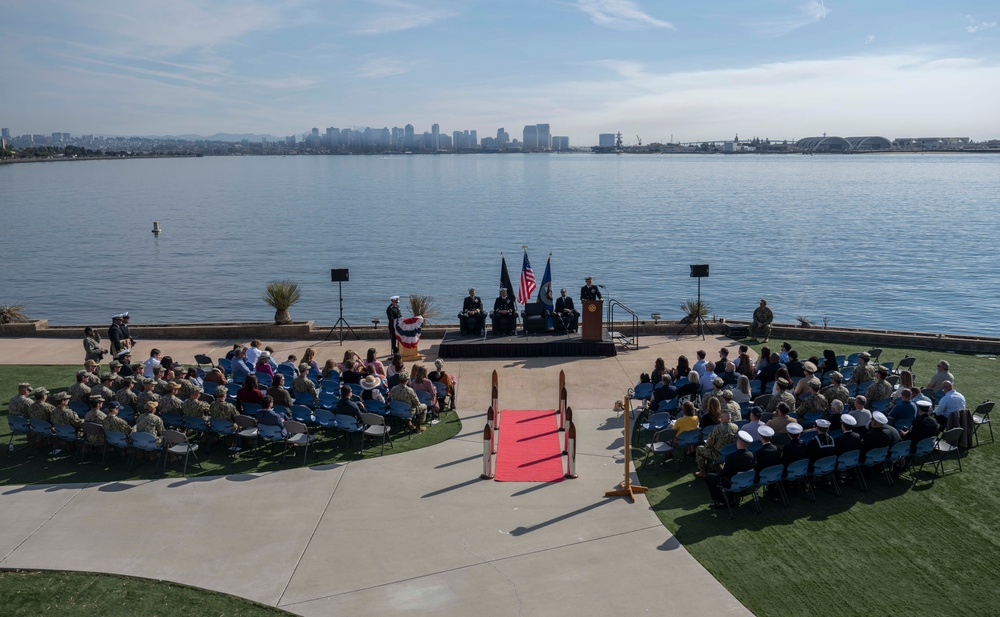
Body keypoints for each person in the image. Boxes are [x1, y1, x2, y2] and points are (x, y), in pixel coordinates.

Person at [705, 430, 756, 509]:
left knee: (708, 477)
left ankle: (721, 501)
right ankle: (732, 498)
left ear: (738, 442)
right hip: (747, 481)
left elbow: (723, 475)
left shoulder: (731, 457)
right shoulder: (752, 455)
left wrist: (721, 468)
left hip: (733, 483)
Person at [695, 410, 738, 478]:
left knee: (699, 449)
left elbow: (708, 445)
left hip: (718, 455)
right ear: (730, 418)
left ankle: (702, 471)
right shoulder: (736, 427)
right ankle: (714, 465)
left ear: (721, 418)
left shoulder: (717, 429)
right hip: (731, 454)